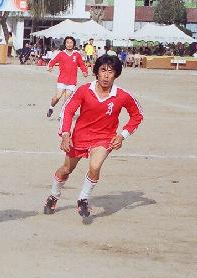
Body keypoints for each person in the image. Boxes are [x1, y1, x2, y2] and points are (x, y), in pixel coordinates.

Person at [43, 54, 143, 221]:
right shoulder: (84, 90)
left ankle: (83, 198)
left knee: (95, 166)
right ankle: (53, 195)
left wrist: (122, 135)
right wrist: (65, 134)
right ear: (96, 72)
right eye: (102, 70)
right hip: (80, 136)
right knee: (67, 169)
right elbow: (67, 111)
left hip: (105, 137)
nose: (106, 75)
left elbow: (137, 115)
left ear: (116, 74)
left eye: (110, 72)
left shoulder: (123, 95)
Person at [46, 36, 88, 118]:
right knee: (57, 97)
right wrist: (50, 67)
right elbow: (53, 61)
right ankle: (51, 108)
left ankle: (61, 115)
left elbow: (82, 64)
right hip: (62, 80)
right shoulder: (61, 54)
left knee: (66, 99)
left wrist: (84, 71)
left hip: (72, 81)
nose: (69, 44)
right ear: (65, 44)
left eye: (71, 43)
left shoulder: (77, 55)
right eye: (67, 43)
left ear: (74, 44)